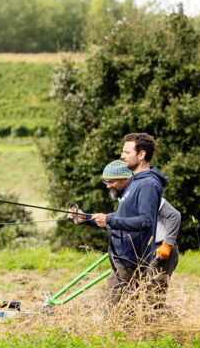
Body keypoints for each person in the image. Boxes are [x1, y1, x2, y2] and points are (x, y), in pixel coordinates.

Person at [68, 133, 167, 310]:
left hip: (130, 261)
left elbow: (145, 222)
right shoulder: (136, 181)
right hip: (121, 258)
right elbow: (122, 217)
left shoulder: (148, 184)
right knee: (123, 314)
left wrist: (110, 219)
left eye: (126, 152)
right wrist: (87, 219)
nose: (122, 156)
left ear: (141, 154)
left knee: (113, 314)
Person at [81, 159, 180, 311]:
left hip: (161, 249)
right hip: (142, 251)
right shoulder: (127, 197)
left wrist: (167, 244)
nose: (108, 186)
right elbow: (118, 219)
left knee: (153, 300)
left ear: (125, 179)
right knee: (134, 299)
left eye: (111, 181)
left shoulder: (147, 192)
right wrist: (86, 218)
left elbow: (174, 216)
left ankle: (165, 327)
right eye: (105, 181)